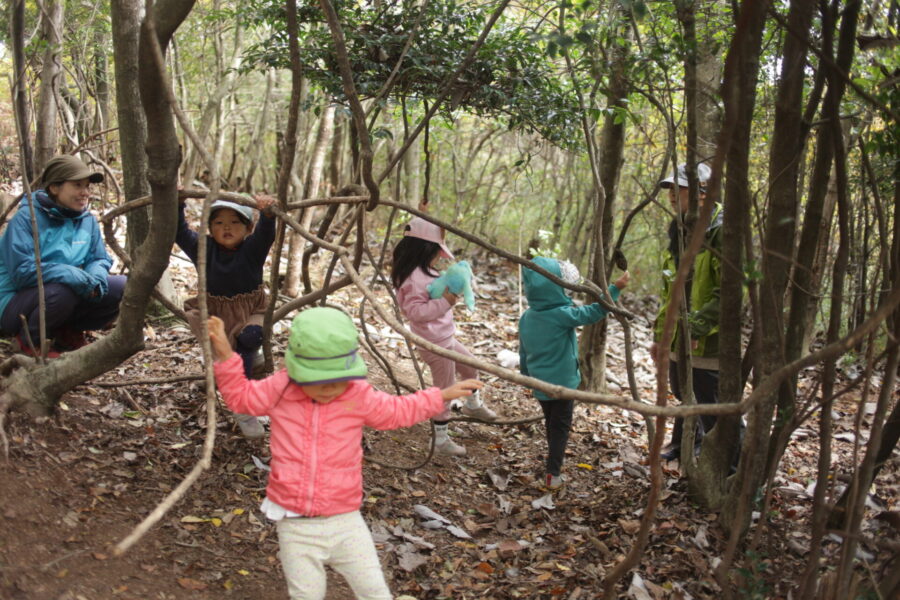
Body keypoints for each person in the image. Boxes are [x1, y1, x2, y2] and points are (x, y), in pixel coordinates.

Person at [208, 307, 482, 600]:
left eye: (335, 381)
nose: (327, 390)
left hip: (345, 521)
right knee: (305, 594)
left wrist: (439, 396)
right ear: (298, 371)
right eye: (315, 381)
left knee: (374, 591)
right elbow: (243, 399)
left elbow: (394, 412)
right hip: (295, 525)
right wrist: (227, 358)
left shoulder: (356, 392)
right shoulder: (283, 387)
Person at [519, 257, 629, 490]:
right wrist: (615, 289)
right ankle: (553, 474)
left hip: (539, 385)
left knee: (552, 424)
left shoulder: (528, 317)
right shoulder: (561, 314)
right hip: (563, 386)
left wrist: (526, 375)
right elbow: (594, 312)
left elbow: (523, 350)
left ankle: (552, 465)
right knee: (559, 428)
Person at [0, 155, 126, 358]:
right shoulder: (26, 218)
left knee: (121, 287)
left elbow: (99, 258)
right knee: (62, 291)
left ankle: (67, 332)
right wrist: (74, 276)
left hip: (59, 293)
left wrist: (95, 278)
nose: (85, 192)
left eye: (87, 186)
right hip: (14, 303)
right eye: (77, 185)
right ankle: (28, 342)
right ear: (54, 188)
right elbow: (22, 272)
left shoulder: (87, 220)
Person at [392, 216, 498, 457]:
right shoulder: (412, 278)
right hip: (434, 345)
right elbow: (416, 313)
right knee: (445, 389)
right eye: (436, 251)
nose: (440, 256)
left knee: (470, 367)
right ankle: (440, 439)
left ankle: (473, 404)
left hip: (445, 339)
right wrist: (447, 301)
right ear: (424, 249)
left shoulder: (425, 271)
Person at [175, 194, 276, 439]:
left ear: (248, 228)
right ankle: (242, 401)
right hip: (216, 314)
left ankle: (244, 399)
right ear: (209, 228)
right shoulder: (203, 248)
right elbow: (180, 232)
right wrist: (177, 203)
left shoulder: (252, 249)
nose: (227, 227)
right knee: (228, 358)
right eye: (219, 223)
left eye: (235, 222)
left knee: (251, 337)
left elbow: (266, 235)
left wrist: (267, 214)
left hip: (250, 310)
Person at [649, 162, 722, 461]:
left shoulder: (721, 231)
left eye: (678, 189)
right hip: (679, 333)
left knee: (709, 402)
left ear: (702, 193)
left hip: (708, 338)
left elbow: (729, 292)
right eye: (669, 189)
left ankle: (727, 465)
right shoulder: (679, 229)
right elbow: (671, 290)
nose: (670, 195)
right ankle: (682, 445)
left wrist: (698, 328)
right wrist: (660, 335)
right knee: (683, 393)